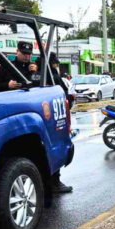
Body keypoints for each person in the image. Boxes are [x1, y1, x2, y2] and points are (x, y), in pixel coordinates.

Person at [45, 52, 74, 194]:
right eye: (55, 63)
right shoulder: (52, 76)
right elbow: (64, 94)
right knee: (55, 148)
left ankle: (51, 183)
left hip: (49, 116)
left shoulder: (45, 73)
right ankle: (54, 182)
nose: (57, 65)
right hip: (53, 117)